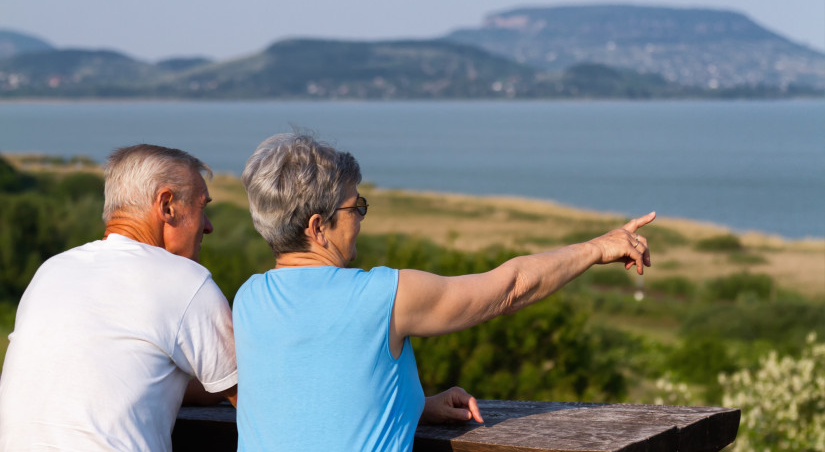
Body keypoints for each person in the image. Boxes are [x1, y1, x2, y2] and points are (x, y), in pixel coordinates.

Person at [233, 132, 655, 451]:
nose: (361, 217)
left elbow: (310, 398)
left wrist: (410, 403)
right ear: (317, 227)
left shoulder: (249, 300)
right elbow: (510, 289)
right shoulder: (382, 295)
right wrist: (597, 248)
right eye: (354, 207)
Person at [0, 144, 238, 451]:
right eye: (201, 206)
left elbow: (122, 381)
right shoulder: (185, 281)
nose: (208, 226)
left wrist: (214, 386)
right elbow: (255, 399)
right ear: (166, 205)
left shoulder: (52, 270)